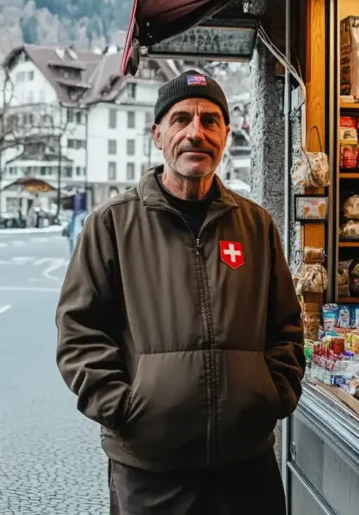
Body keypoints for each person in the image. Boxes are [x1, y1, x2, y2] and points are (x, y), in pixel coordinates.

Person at [55, 70, 304, 514]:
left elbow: (285, 325)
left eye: (210, 120)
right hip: (151, 469)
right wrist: (122, 408)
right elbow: (79, 334)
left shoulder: (256, 225)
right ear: (158, 134)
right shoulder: (112, 224)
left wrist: (274, 393)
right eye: (180, 119)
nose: (196, 133)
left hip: (246, 466)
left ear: (227, 134)